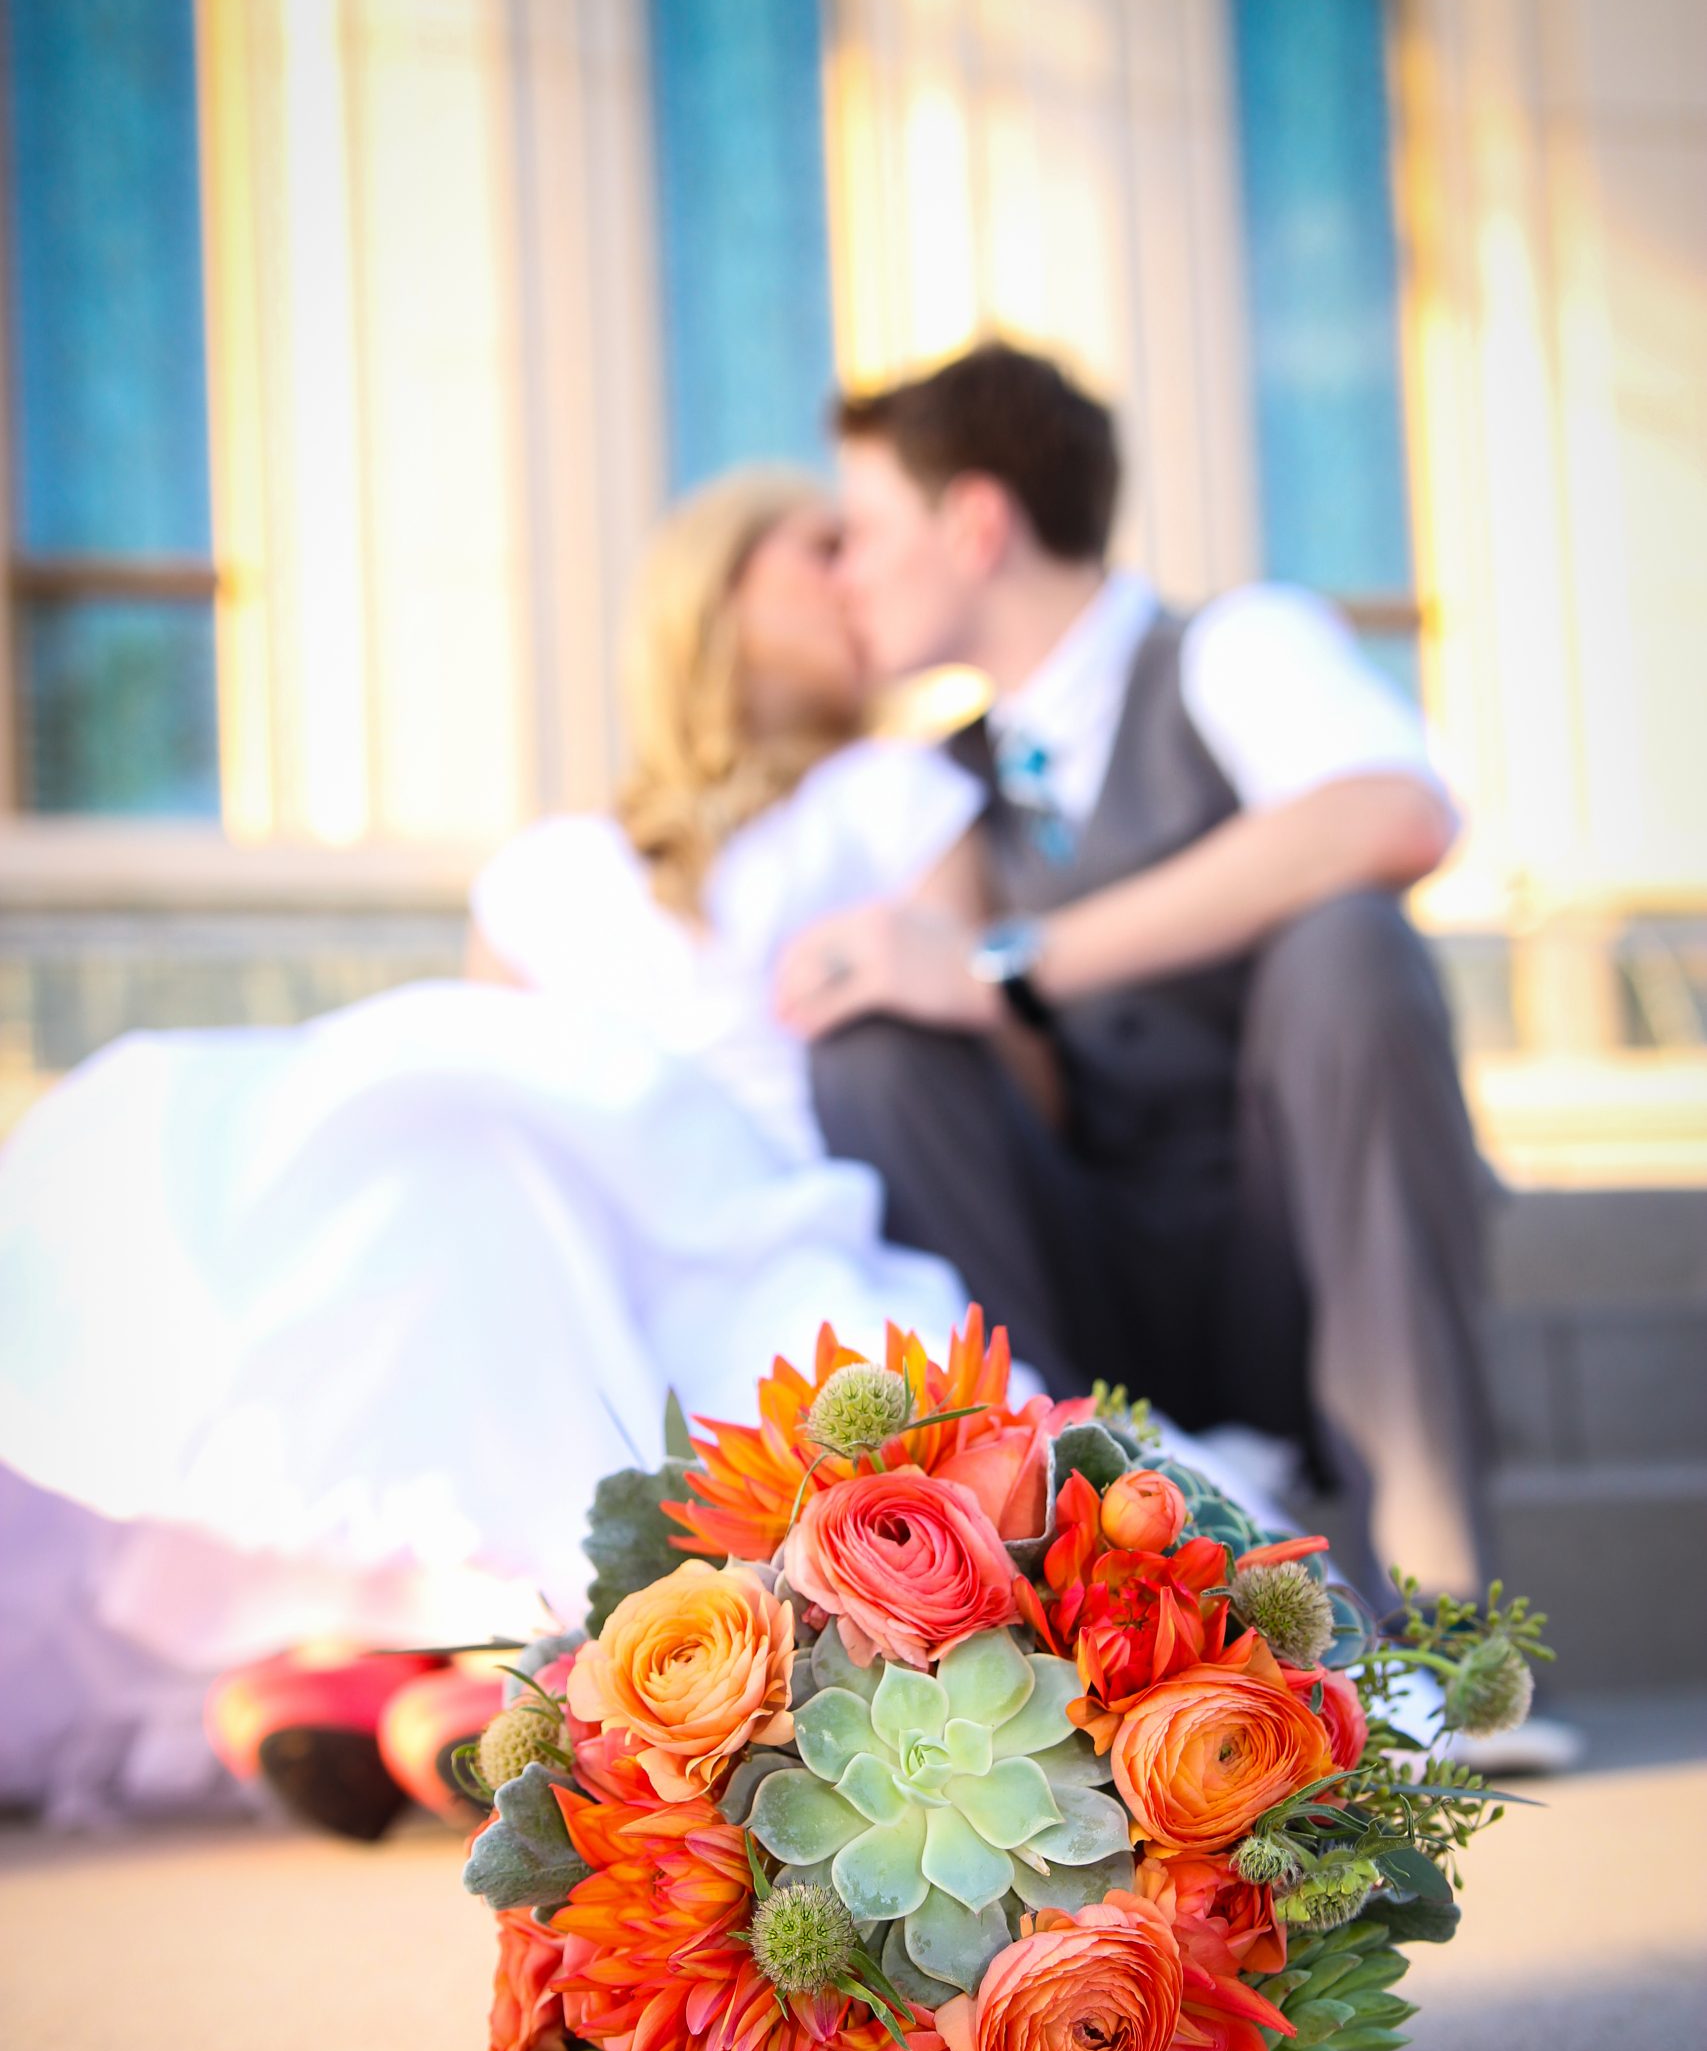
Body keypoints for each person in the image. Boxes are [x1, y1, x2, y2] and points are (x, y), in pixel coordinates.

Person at [0, 469, 982, 1827]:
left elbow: (966, 1037)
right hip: (558, 1194)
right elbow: (493, 1058)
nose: (856, 574)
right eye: (820, 548)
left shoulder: (895, 797)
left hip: (736, 1189)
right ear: (715, 595)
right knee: (434, 1169)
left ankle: (499, 1649)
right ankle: (412, 1628)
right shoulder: (551, 869)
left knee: (703, 1331)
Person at [775, 341, 1494, 1611]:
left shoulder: (1230, 647)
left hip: (1297, 1266)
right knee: (874, 1054)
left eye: (867, 529)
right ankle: (1053, 1550)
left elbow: (1395, 812)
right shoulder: (945, 783)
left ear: (976, 522)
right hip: (1090, 1291)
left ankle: (1438, 1595)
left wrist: (1007, 961)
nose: (846, 571)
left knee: (1350, 946)